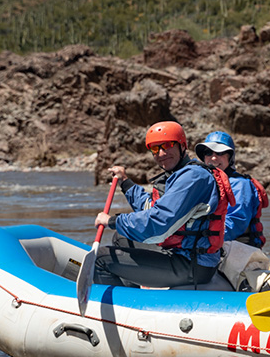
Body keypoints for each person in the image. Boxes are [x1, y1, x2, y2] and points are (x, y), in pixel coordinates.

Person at [93, 120, 235, 288]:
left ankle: (126, 306)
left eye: (167, 145)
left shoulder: (193, 177)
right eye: (155, 148)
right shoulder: (180, 174)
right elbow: (151, 208)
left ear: (182, 146)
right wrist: (125, 183)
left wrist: (113, 221)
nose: (161, 154)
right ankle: (136, 290)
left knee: (101, 260)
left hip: (192, 264)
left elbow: (159, 223)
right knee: (122, 237)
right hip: (182, 253)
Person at [195, 130, 268, 247]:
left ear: (230, 157)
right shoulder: (202, 184)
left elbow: (236, 223)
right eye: (208, 152)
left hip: (237, 246)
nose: (213, 158)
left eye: (220, 153)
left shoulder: (240, 185)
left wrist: (198, 239)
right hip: (210, 243)